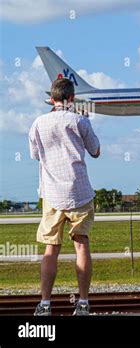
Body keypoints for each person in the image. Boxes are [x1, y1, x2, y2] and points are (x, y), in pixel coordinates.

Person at [29, 78, 100, 316]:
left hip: (52, 194)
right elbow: (96, 151)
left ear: (51, 99)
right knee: (81, 246)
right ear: (71, 99)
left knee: (51, 249)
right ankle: (83, 302)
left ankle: (46, 304)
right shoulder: (79, 120)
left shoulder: (38, 123)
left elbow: (35, 155)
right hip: (79, 191)